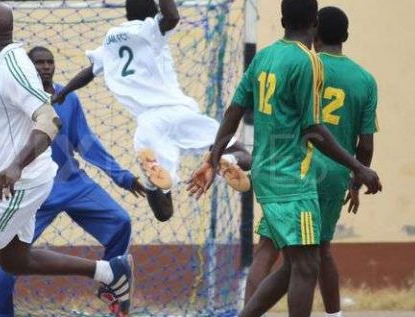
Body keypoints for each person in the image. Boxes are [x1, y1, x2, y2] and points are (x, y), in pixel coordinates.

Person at [0, 4, 134, 317]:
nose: (45, 67)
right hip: (18, 181)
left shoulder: (13, 66)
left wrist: (16, 166)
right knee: (13, 260)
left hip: (19, 183)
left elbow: (49, 121)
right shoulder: (2, 66)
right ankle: (109, 271)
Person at [206, 0, 382, 315]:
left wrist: (215, 149)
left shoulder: (265, 56)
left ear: (283, 18)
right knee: (308, 263)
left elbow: (235, 108)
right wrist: (357, 167)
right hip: (294, 176)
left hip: (267, 172)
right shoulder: (309, 62)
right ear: (313, 21)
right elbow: (313, 128)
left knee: (290, 260)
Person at [54, 0, 252, 222]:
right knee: (245, 155)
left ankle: (150, 179)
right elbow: (172, 17)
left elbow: (90, 71)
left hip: (149, 125)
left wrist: (64, 92)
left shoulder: (111, 38)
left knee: (164, 213)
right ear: (155, 11)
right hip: (182, 113)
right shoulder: (150, 28)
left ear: (127, 13)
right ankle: (228, 159)